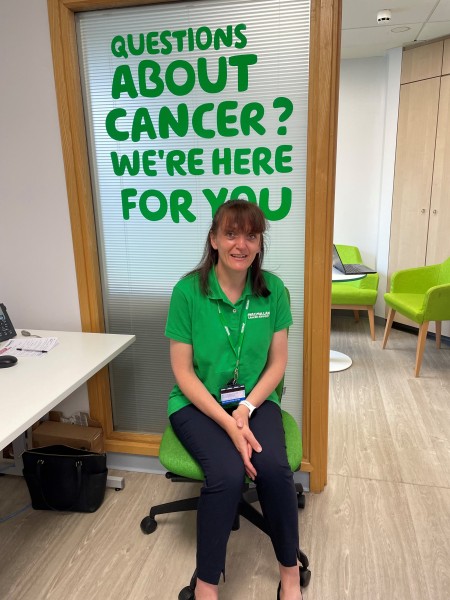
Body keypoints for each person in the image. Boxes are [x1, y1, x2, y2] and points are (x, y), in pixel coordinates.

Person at [165, 199, 302, 600]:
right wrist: (229, 423)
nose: (240, 244)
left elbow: (277, 365)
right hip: (197, 404)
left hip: (255, 400)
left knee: (275, 471)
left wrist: (244, 410)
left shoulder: (273, 291)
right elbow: (183, 373)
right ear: (214, 239)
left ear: (259, 244)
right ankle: (207, 585)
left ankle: (289, 575)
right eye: (230, 233)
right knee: (225, 476)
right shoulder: (187, 293)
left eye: (251, 235)